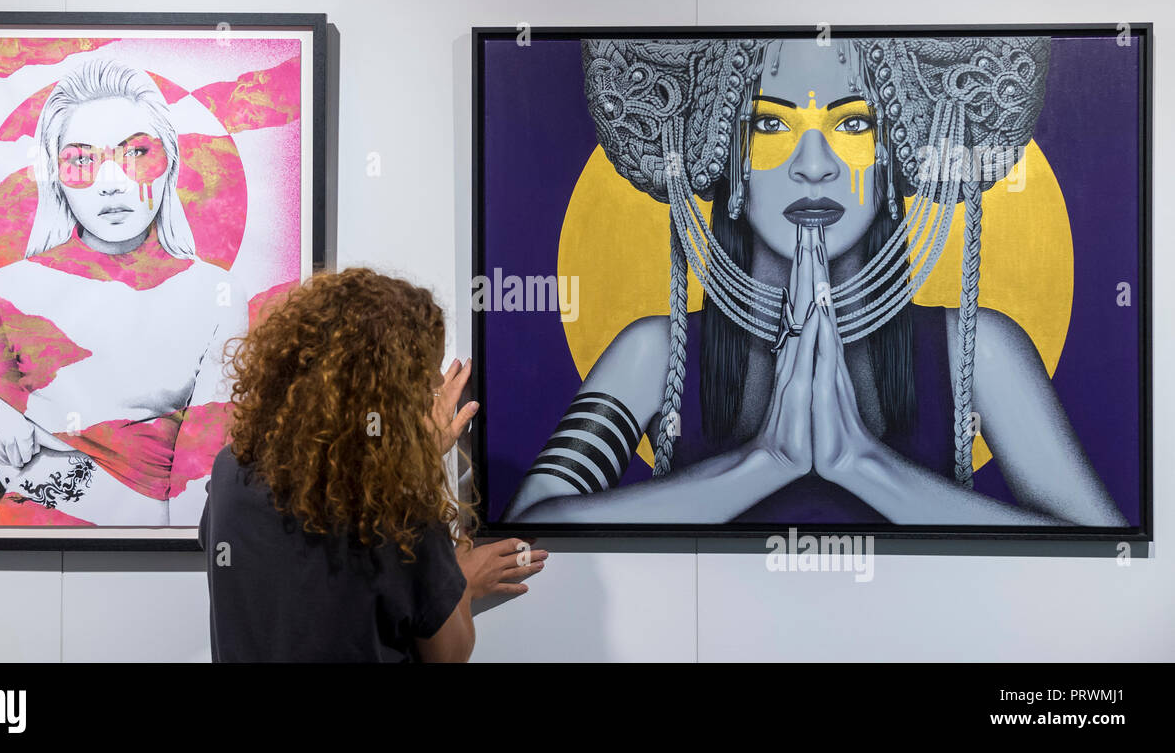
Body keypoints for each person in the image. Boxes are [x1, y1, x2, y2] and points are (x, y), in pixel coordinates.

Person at [503, 37, 1127, 527]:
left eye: (852, 124)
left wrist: (864, 465)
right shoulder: (655, 353)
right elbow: (528, 531)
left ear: (895, 150)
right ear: (725, 153)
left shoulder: (978, 350)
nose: (813, 166)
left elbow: (1100, 549)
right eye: (769, 125)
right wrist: (762, 464)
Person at [0, 57, 246, 527]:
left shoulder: (216, 294)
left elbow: (205, 468)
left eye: (136, 153)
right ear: (56, 174)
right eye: (81, 159)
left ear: (170, 163)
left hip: (159, 538)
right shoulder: (8, 289)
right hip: (20, 532)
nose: (111, 183)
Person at [200, 268, 545, 662]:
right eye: (424, 371)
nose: (437, 382)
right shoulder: (399, 504)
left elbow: (300, 590)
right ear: (389, 387)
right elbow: (449, 655)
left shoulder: (231, 471)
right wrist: (462, 582)